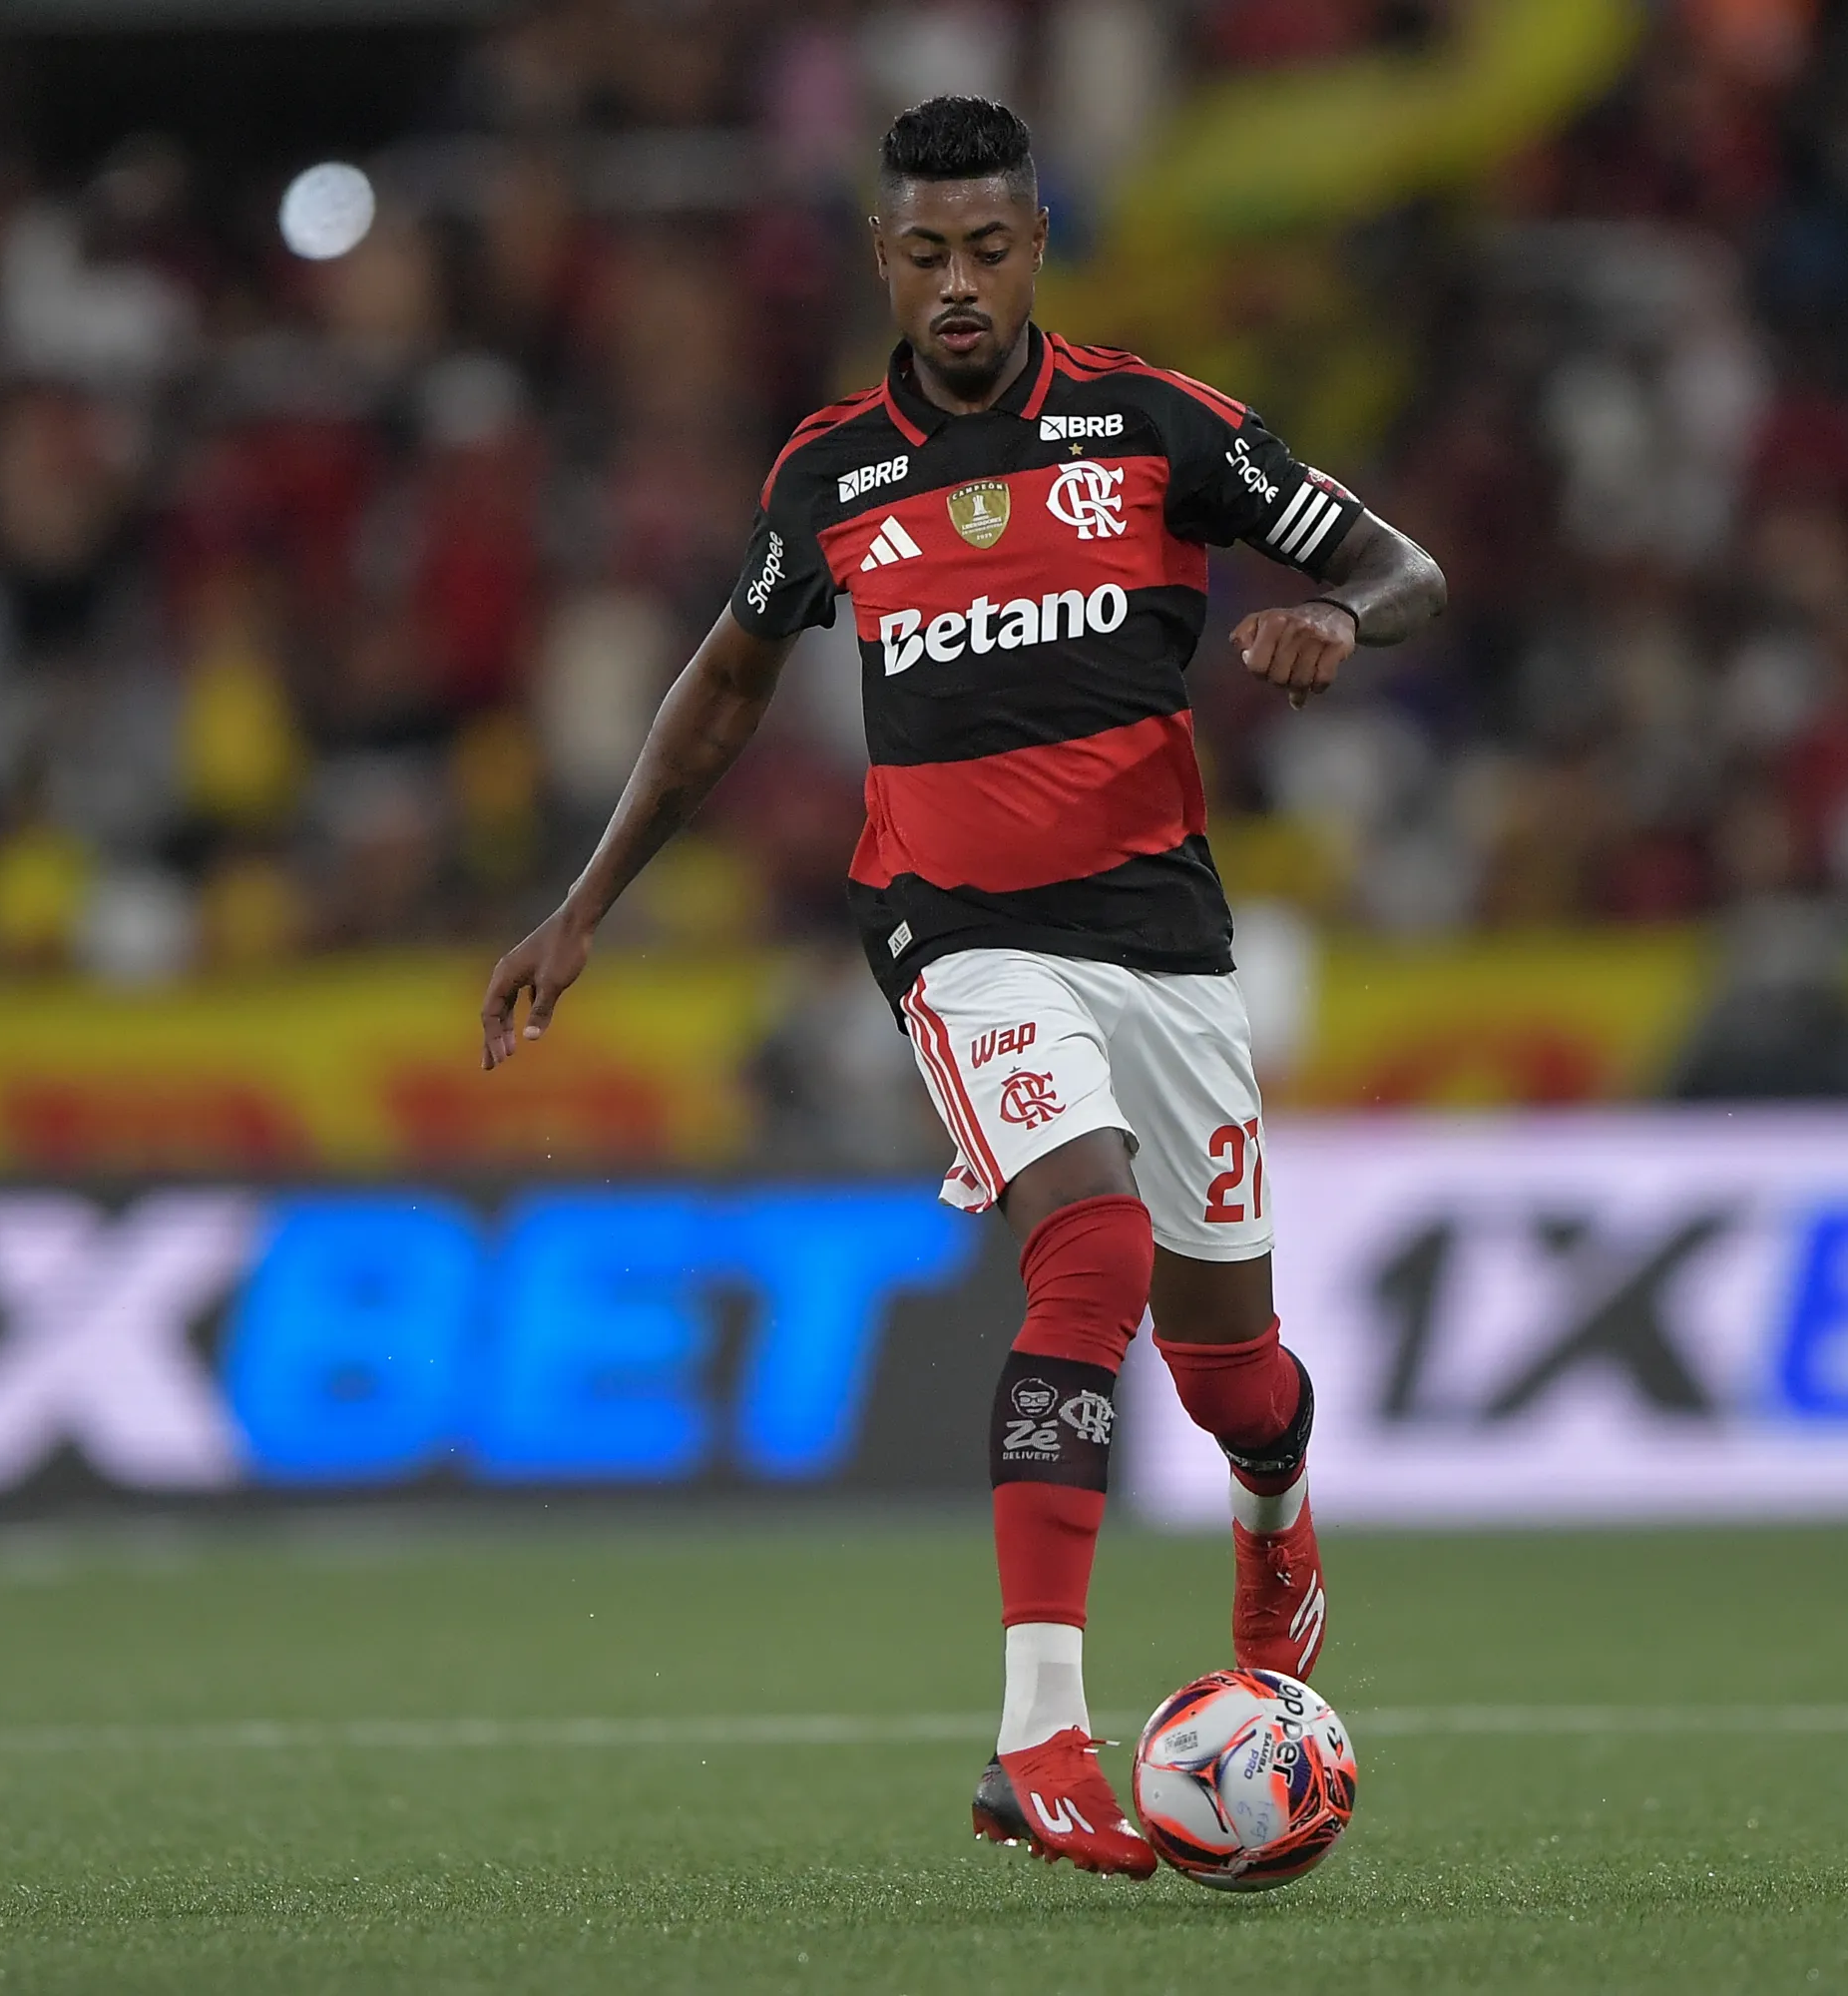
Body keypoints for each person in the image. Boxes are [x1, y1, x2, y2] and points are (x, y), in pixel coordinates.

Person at [479, 95, 1446, 1877]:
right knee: (1086, 1251)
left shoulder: (1161, 430)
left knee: (1233, 1367)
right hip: (956, 926)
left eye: (988, 248)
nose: (957, 285)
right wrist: (583, 904)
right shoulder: (831, 478)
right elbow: (719, 692)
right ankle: (1039, 1736)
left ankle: (1277, 1518)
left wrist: (1338, 620)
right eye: (925, 251)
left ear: (1036, 245)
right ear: (881, 259)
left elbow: (1404, 564)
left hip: (1166, 942)